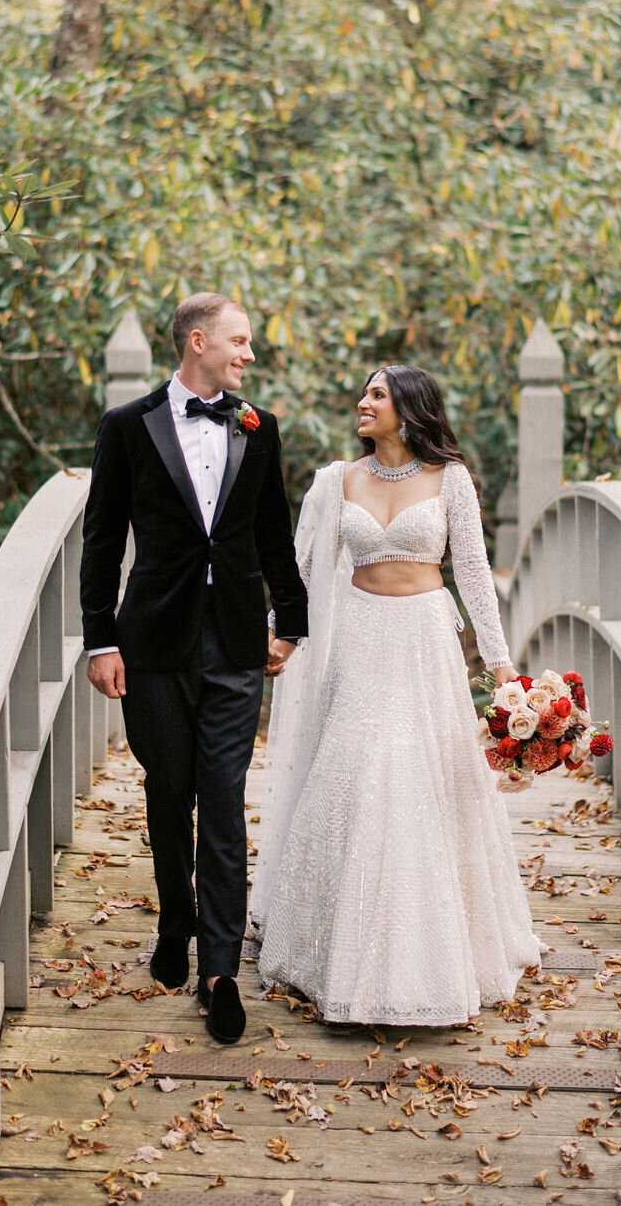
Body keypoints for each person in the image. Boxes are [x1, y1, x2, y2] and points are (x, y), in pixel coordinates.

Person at [250, 364, 542, 1026]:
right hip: (356, 638)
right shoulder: (337, 481)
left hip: (422, 643)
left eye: (376, 394)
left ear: (409, 408)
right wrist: (277, 634)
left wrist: (501, 667)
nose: (362, 402)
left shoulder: (451, 479)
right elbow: (299, 568)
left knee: (414, 777)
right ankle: (337, 955)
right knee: (356, 773)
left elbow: (471, 571)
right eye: (363, 392)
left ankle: (430, 961)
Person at [80, 293, 308, 1044]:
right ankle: (173, 914)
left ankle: (220, 972)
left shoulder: (257, 427)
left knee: (223, 791)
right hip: (153, 641)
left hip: (237, 642)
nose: (249, 354)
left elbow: (274, 532)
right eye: (240, 341)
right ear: (199, 341)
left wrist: (290, 621)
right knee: (170, 786)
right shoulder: (128, 427)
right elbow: (102, 540)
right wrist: (99, 640)